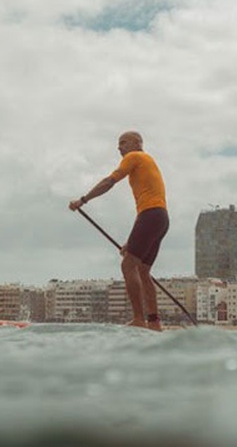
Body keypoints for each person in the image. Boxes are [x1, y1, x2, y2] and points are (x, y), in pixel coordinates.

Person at [68, 131, 169, 331]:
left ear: (137, 143)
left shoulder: (135, 157)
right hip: (161, 218)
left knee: (128, 265)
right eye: (118, 144)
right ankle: (154, 322)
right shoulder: (148, 161)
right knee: (143, 270)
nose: (119, 147)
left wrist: (83, 200)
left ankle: (139, 319)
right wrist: (131, 243)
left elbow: (109, 182)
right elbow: (147, 214)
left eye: (123, 142)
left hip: (151, 215)